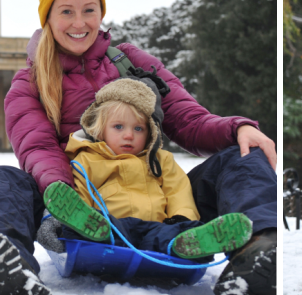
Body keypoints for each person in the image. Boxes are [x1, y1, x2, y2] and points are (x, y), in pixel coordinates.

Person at [0, 0, 277, 295]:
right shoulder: (29, 84)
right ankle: (0, 266)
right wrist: (65, 199)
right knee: (1, 179)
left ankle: (257, 255)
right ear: (48, 18)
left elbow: (188, 119)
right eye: (66, 12)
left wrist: (237, 127)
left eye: (89, 10)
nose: (79, 23)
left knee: (244, 154)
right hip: (83, 204)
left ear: (101, 14)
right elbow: (38, 148)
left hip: (155, 195)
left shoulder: (131, 62)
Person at [46, 79, 253, 259]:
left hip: (158, 226)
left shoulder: (160, 160)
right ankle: (89, 227)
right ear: (100, 129)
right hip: (111, 226)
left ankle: (191, 243)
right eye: (118, 127)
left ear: (150, 132)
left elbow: (178, 192)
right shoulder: (88, 160)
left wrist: (181, 219)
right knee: (99, 230)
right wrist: (85, 215)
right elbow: (82, 192)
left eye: (138, 128)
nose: (129, 135)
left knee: (174, 235)